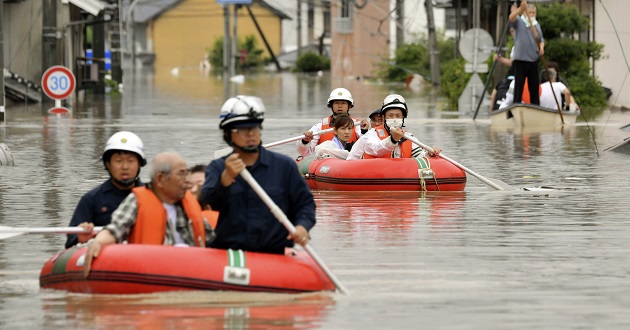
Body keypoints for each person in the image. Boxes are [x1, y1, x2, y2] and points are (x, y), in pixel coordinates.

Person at [202, 95, 315, 254]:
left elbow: (305, 204)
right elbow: (210, 203)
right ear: (228, 134)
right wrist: (226, 180)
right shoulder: (218, 168)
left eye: (254, 127)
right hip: (230, 255)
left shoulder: (284, 167)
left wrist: (302, 226)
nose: (251, 134)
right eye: (242, 129)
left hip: (273, 254)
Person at [83, 152, 214, 277]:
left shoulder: (188, 203)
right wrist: (98, 243)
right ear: (160, 179)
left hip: (193, 270)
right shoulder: (137, 201)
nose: (188, 181)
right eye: (181, 174)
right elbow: (115, 229)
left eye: (187, 174)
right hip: (151, 271)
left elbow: (212, 239)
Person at [65, 131, 146, 249]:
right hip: (105, 259)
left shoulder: (152, 196)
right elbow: (71, 240)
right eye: (118, 161)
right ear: (108, 164)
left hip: (144, 256)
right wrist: (81, 237)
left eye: (130, 161)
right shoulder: (91, 199)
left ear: (139, 164)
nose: (125, 167)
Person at [356, 94, 440, 159]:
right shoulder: (371, 134)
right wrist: (393, 140)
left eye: (398, 115)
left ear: (403, 117)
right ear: (383, 117)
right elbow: (375, 150)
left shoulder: (408, 137)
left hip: (399, 177)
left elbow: (419, 155)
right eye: (390, 115)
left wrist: (429, 154)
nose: (394, 119)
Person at [296, 88, 365, 157]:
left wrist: (364, 131)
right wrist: (305, 142)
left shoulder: (357, 125)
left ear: (349, 106)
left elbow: (366, 145)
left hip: (350, 162)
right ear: (331, 106)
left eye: (343, 103)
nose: (340, 106)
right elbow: (304, 153)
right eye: (336, 103)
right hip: (326, 162)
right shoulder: (320, 126)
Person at [509, 0, 544, 105]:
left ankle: (535, 106)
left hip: (533, 60)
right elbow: (511, 18)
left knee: (534, 87)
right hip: (521, 60)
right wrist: (520, 9)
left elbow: (541, 40)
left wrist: (542, 48)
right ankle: (516, 104)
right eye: (530, 12)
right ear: (525, 13)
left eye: (533, 13)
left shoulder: (536, 25)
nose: (531, 15)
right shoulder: (520, 21)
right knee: (519, 86)